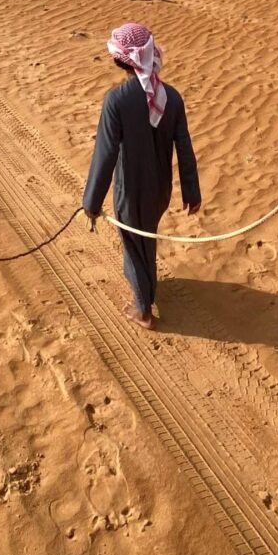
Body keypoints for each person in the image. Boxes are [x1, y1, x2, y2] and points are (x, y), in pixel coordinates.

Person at [83, 22, 201, 329]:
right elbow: (184, 147)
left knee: (133, 245)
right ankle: (148, 289)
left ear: (119, 60)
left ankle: (143, 308)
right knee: (145, 236)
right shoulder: (171, 98)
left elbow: (105, 155)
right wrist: (192, 192)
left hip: (131, 192)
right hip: (161, 190)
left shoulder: (116, 100)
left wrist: (91, 202)